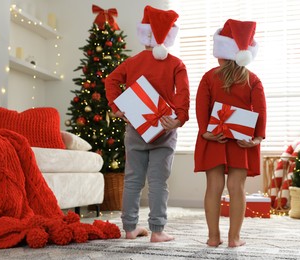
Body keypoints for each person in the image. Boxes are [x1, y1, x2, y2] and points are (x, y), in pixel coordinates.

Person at [105, 5, 190, 242]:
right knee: (158, 182)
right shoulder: (176, 64)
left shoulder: (132, 63)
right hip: (164, 128)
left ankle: (130, 228)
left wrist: (117, 108)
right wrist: (178, 119)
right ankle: (157, 231)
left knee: (132, 179)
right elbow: (183, 94)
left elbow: (111, 81)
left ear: (144, 35)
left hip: (135, 129)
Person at [194, 19, 266, 247]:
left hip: (215, 137)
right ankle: (234, 239)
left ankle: (213, 237)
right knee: (237, 188)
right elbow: (261, 110)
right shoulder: (253, 79)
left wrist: (205, 131)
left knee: (213, 187)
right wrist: (256, 137)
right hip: (241, 141)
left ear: (221, 52)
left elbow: (200, 105)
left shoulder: (209, 77)